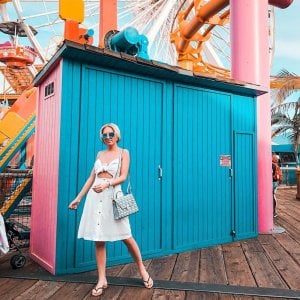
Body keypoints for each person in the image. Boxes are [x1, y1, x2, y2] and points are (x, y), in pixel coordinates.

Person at [69, 123, 153, 297]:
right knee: (99, 239)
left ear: (117, 134)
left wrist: (107, 183)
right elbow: (91, 178)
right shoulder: (100, 154)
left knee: (127, 236)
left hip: (113, 196)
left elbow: (122, 176)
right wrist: (78, 198)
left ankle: (142, 270)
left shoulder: (124, 153)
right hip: (95, 197)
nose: (107, 137)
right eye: (104, 135)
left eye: (110, 134)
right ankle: (102, 279)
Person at [272, 154, 282, 218]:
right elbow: (280, 177)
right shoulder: (276, 166)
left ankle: (273, 211)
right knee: (273, 196)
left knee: (272, 196)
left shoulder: (271, 164)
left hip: (272, 182)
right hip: (275, 182)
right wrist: (279, 182)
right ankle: (274, 211)